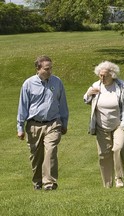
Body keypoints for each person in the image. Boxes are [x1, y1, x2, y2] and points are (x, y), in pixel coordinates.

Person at [17, 55, 69, 191]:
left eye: (51, 68)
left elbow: (62, 104)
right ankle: (37, 182)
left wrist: (64, 122)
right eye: (47, 69)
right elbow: (22, 106)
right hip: (34, 125)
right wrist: (20, 127)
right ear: (38, 69)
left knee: (51, 150)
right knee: (36, 156)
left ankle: (49, 183)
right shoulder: (28, 84)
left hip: (53, 123)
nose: (50, 71)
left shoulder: (57, 82)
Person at [83, 61, 124, 188]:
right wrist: (89, 93)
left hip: (120, 123)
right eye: (100, 75)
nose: (102, 78)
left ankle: (118, 178)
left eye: (105, 75)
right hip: (101, 126)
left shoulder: (122, 86)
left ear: (112, 75)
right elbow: (86, 100)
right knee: (103, 154)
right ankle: (107, 184)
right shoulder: (96, 86)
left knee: (118, 149)